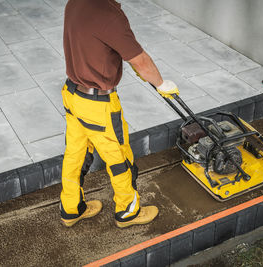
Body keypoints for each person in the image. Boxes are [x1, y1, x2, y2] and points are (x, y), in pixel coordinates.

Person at [60, 0, 179, 228]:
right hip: (98, 105)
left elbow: (94, 43)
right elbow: (141, 61)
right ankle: (128, 212)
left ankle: (71, 209)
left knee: (75, 154)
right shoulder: (109, 15)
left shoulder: (75, 2)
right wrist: (162, 84)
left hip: (72, 94)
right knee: (119, 158)